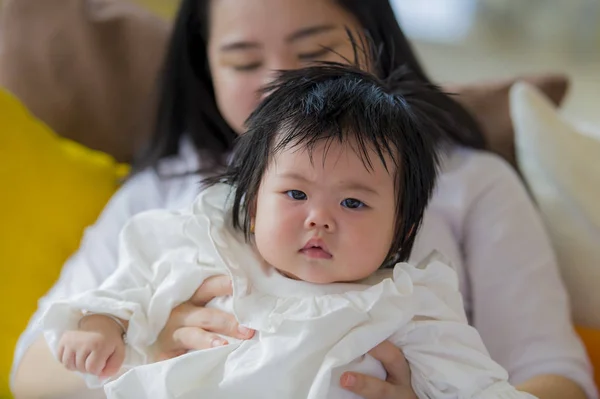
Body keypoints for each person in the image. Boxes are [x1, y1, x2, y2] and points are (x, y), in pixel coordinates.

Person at [11, 0, 597, 398]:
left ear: (375, 45)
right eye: (243, 60)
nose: (280, 80)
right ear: (206, 69)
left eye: (314, 47)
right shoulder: (169, 202)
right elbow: (31, 367)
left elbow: (556, 375)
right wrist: (145, 346)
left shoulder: (469, 185)